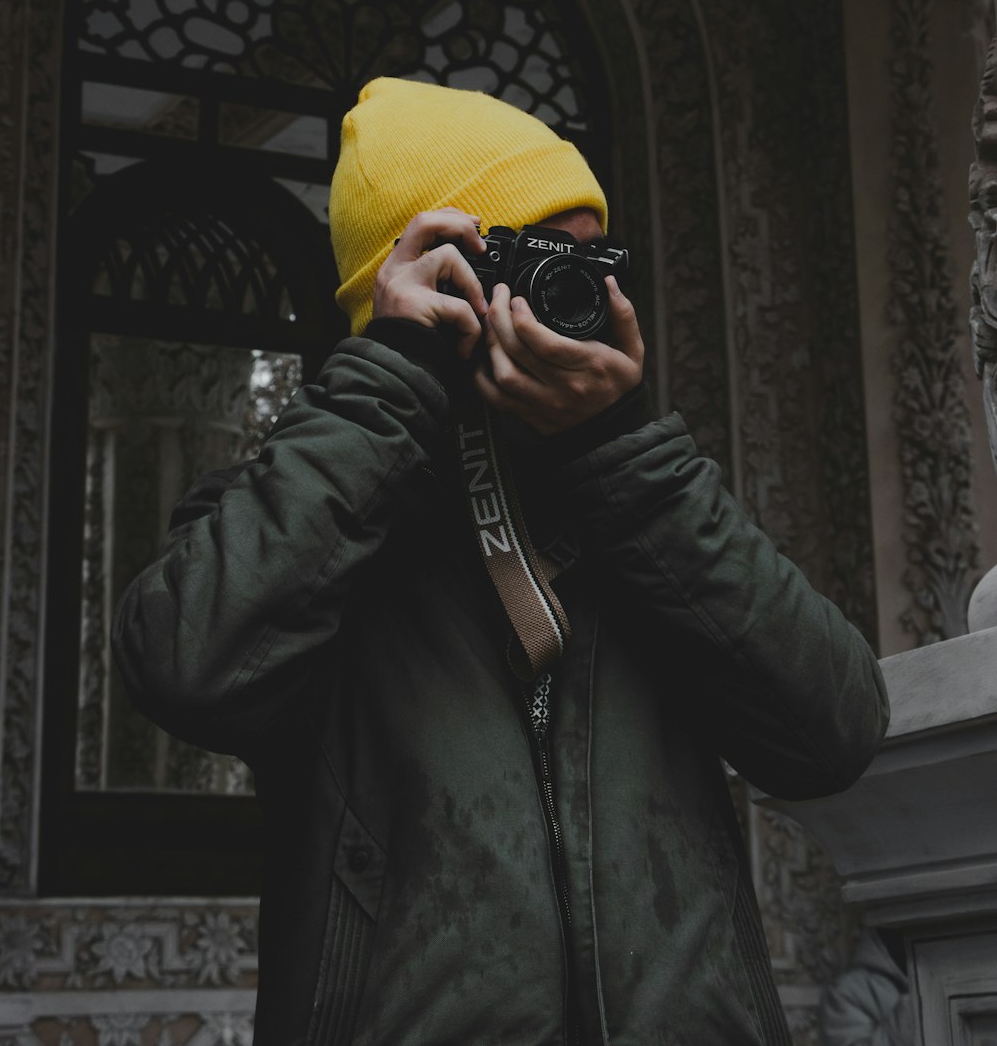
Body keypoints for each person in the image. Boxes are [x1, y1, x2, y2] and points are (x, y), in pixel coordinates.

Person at [112, 76, 889, 1046]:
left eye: (592, 261)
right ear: (422, 276)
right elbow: (186, 664)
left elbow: (837, 731)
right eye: (533, 259)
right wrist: (392, 379)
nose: (580, 293)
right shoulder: (308, 520)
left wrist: (624, 460)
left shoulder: (640, 510)